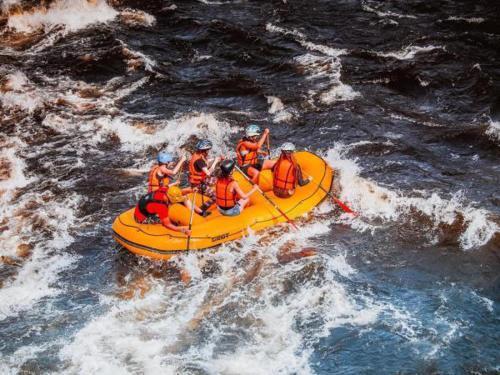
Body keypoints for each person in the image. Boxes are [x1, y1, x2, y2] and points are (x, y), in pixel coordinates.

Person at [188, 139, 221, 209]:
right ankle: (202, 209)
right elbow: (208, 173)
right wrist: (215, 162)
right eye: (208, 150)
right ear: (204, 150)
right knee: (215, 196)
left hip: (203, 179)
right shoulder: (199, 161)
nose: (208, 152)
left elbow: (206, 162)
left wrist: (216, 158)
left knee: (220, 181)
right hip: (198, 184)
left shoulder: (198, 155)